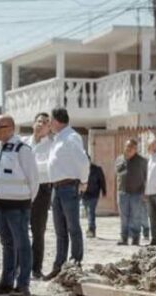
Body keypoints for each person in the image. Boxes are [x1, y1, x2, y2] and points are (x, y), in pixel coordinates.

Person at [0, 114, 37, 296]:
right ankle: (6, 282)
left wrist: (27, 202)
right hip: (0, 205)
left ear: (9, 128)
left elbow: (33, 180)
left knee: (22, 245)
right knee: (7, 244)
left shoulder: (22, 149)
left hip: (18, 206)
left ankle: (23, 285)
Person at [44, 107, 89, 280]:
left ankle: (75, 262)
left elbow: (83, 161)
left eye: (50, 120)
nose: (49, 124)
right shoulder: (58, 138)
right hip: (56, 188)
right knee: (60, 230)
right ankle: (59, 265)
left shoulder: (71, 137)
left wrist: (84, 181)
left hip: (69, 187)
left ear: (56, 121)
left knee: (73, 227)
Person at [27, 112, 52, 279]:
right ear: (33, 124)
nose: (40, 125)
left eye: (45, 123)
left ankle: (36, 268)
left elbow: (49, 167)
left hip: (42, 190)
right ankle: (20, 266)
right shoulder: (23, 143)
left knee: (38, 231)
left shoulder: (51, 145)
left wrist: (30, 166)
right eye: (39, 121)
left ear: (49, 128)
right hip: (23, 189)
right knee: (20, 230)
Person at [115, 139, 147, 246]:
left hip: (137, 193)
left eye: (131, 147)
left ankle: (135, 238)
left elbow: (146, 177)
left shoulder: (142, 161)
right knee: (123, 217)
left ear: (135, 149)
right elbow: (117, 172)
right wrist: (125, 160)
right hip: (122, 192)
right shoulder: (120, 159)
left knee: (136, 216)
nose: (129, 149)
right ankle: (124, 238)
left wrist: (145, 192)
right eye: (127, 146)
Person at [83, 158, 105, 238]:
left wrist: (104, 191)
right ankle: (92, 228)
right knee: (88, 212)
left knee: (91, 211)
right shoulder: (82, 169)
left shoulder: (97, 169)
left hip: (94, 194)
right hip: (84, 194)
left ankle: (91, 229)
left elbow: (102, 180)